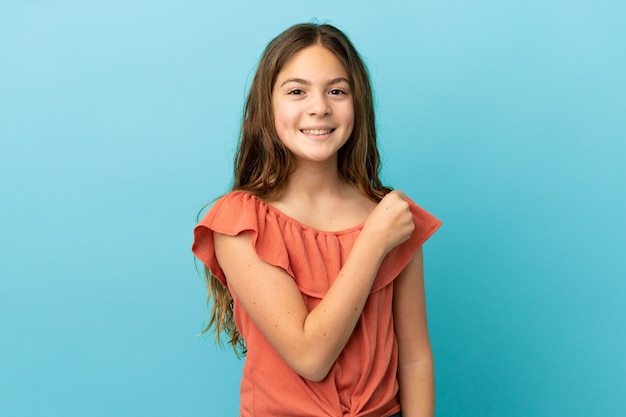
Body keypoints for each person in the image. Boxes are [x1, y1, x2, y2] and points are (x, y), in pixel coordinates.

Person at [192, 22, 441, 417]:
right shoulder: (241, 222)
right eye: (296, 91)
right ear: (267, 106)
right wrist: (373, 242)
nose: (320, 107)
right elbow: (310, 356)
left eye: (337, 91)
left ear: (357, 103)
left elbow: (414, 358)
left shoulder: (391, 216)